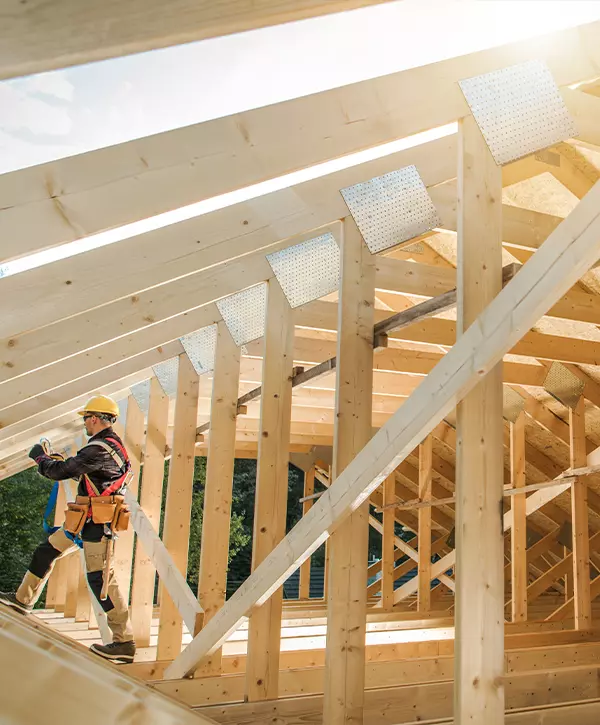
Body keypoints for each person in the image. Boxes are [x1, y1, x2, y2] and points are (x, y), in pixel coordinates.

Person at [0, 395, 136, 664]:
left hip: (97, 525)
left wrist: (40, 457)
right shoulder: (111, 446)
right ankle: (22, 599)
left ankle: (124, 642)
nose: (84, 423)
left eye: (86, 418)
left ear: (95, 418)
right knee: (46, 551)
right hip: (85, 520)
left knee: (101, 582)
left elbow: (59, 471)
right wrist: (62, 463)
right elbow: (83, 472)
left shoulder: (98, 448)